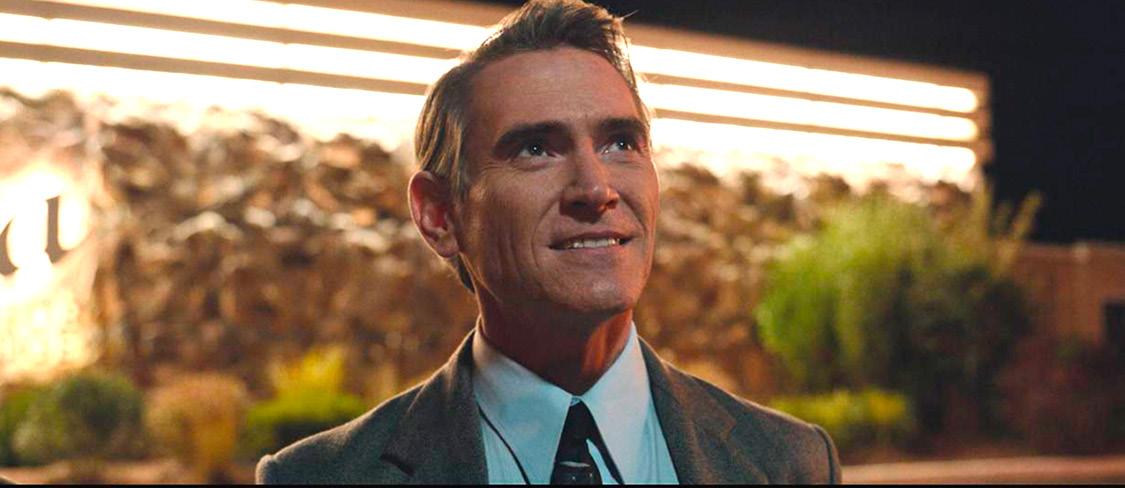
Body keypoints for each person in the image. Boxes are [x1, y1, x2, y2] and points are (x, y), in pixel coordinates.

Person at [256, 0, 839, 484]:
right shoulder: (316, 477)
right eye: (536, 149)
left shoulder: (791, 462)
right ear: (440, 215)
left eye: (620, 143)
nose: (596, 188)